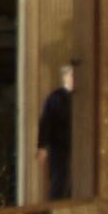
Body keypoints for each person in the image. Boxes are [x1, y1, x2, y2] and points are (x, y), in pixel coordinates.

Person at [34, 61, 75, 200]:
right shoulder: (56, 97)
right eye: (71, 75)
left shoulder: (82, 97)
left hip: (77, 147)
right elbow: (45, 122)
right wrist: (42, 146)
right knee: (59, 183)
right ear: (65, 76)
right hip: (59, 147)